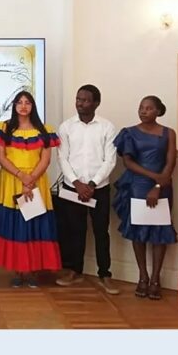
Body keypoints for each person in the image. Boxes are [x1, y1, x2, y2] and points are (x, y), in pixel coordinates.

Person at [0, 91, 61, 287]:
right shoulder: (4, 128)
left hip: (36, 181)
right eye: (19, 102)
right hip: (12, 180)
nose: (23, 106)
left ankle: (32, 271)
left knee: (35, 223)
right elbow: (1, 157)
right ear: (14, 105)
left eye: (27, 102)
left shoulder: (44, 130)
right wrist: (22, 176)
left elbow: (45, 160)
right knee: (15, 224)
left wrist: (30, 180)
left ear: (33, 106)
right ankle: (18, 271)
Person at [56, 84, 119, 294]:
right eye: (78, 99)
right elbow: (62, 158)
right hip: (72, 187)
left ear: (96, 103)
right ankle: (75, 272)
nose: (80, 104)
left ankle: (105, 274)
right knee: (75, 231)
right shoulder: (66, 127)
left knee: (101, 232)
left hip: (98, 188)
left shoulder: (107, 127)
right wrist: (77, 183)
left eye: (85, 100)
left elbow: (110, 160)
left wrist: (91, 184)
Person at [112, 96, 177, 300]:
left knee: (160, 232)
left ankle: (156, 279)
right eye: (141, 107)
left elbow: (170, 162)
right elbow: (128, 162)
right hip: (137, 186)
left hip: (162, 187)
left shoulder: (169, 133)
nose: (143, 111)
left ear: (158, 111)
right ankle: (142, 276)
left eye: (149, 108)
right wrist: (154, 177)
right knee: (138, 232)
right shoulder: (129, 132)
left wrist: (158, 185)